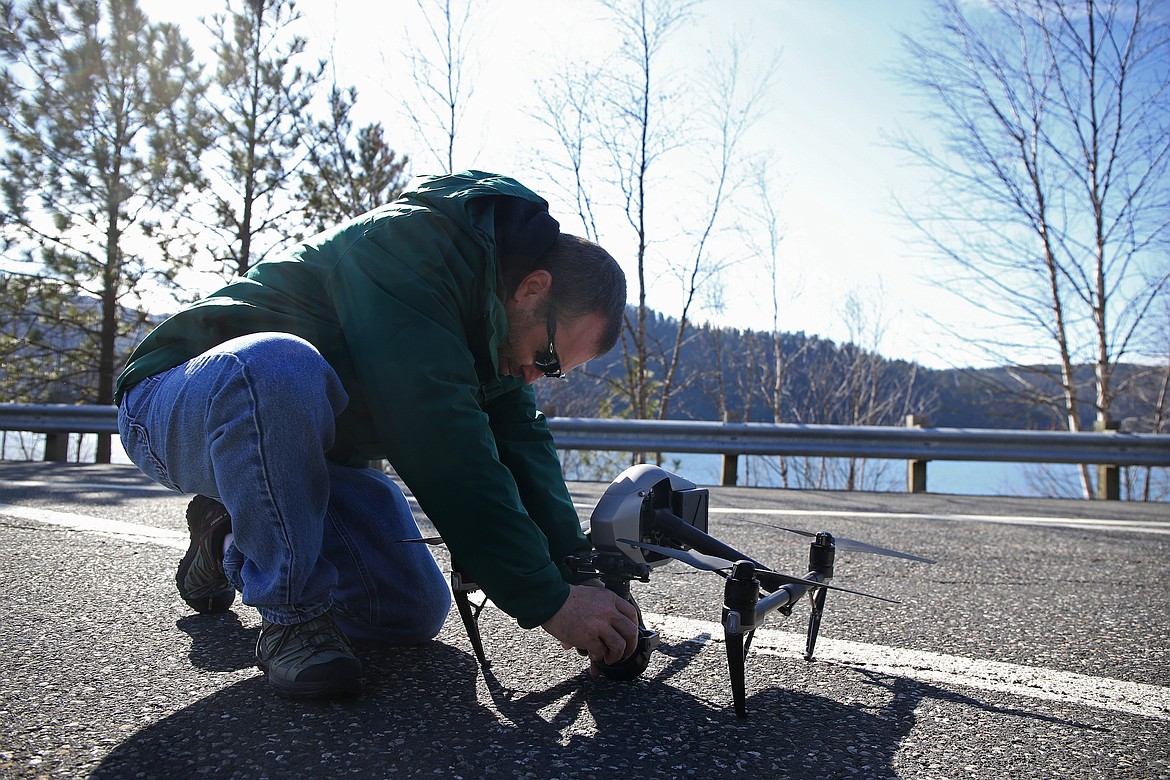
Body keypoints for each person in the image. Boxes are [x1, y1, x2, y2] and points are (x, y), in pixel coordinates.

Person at [115, 170, 640, 699]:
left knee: (410, 609)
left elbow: (523, 448)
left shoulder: (498, 329)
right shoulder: (408, 250)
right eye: (546, 357)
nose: (534, 375)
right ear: (533, 288)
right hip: (177, 403)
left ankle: (222, 535)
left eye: (551, 372)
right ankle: (292, 617)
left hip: (305, 457)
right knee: (277, 364)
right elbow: (444, 446)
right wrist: (547, 600)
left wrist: (579, 574)